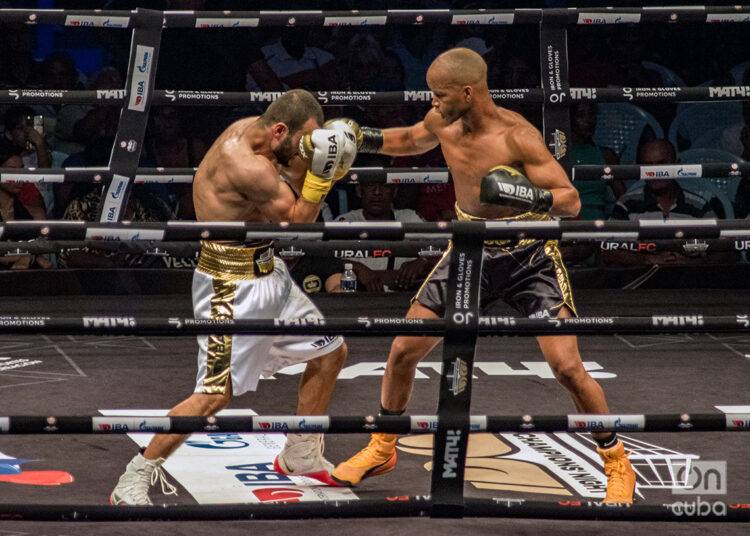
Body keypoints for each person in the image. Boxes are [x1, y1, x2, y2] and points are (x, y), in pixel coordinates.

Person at [329, 48, 637, 504]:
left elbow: (570, 200)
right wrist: (361, 137)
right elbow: (410, 139)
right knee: (402, 351)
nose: (432, 103)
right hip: (470, 249)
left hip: (527, 256)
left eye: (440, 95)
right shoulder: (443, 121)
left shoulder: (518, 136)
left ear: (468, 92)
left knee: (568, 367)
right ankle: (382, 446)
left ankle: (617, 463)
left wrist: (522, 195)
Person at [110, 89, 355, 505]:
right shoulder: (245, 163)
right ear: (280, 130)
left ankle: (300, 454)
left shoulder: (257, 134)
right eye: (303, 141)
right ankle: (134, 478)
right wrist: (325, 173)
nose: (305, 149)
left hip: (267, 270)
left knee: (330, 352)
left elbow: (288, 178)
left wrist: (325, 152)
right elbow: (298, 223)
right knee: (214, 393)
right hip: (229, 282)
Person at [600, 139, 730, 267]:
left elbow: (726, 251)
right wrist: (648, 260)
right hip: (643, 282)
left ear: (676, 165)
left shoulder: (698, 205)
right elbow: (608, 251)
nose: (655, 171)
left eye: (661, 164)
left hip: (689, 282)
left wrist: (694, 264)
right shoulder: (628, 204)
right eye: (648, 165)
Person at [335, 182, 435, 292]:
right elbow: (324, 261)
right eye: (370, 185)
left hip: (404, 297)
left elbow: (445, 250)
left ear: (394, 191)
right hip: (358, 299)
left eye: (384, 186)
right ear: (359, 190)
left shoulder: (410, 218)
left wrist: (423, 261)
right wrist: (357, 268)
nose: (377, 192)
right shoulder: (345, 222)